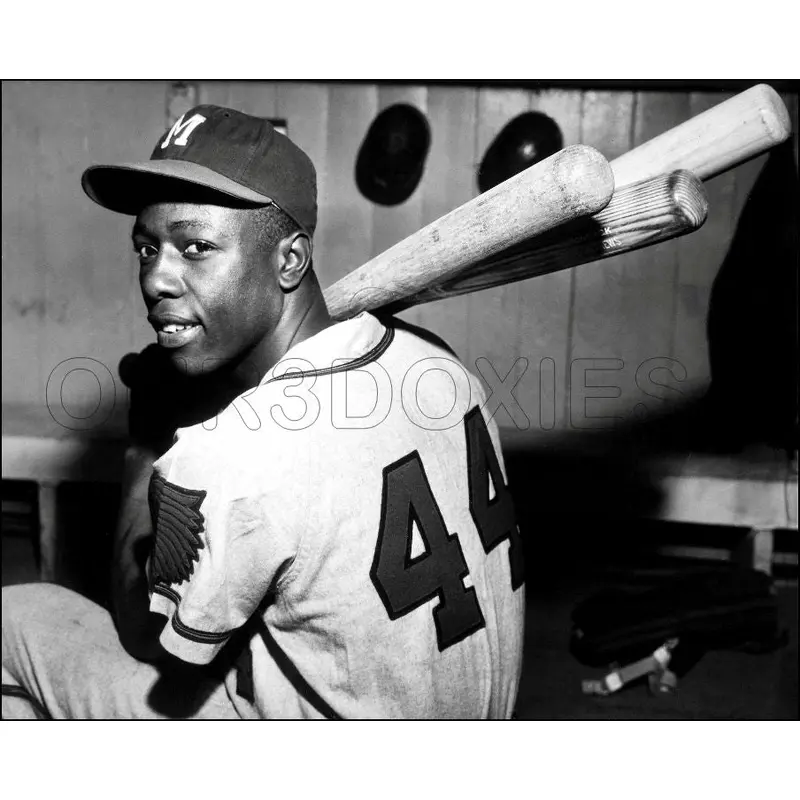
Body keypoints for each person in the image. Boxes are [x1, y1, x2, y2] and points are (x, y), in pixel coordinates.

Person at [2, 105, 526, 719]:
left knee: (15, 620)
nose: (156, 280)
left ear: (289, 261)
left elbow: (142, 641)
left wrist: (146, 439)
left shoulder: (227, 454)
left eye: (196, 247)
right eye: (148, 248)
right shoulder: (435, 364)